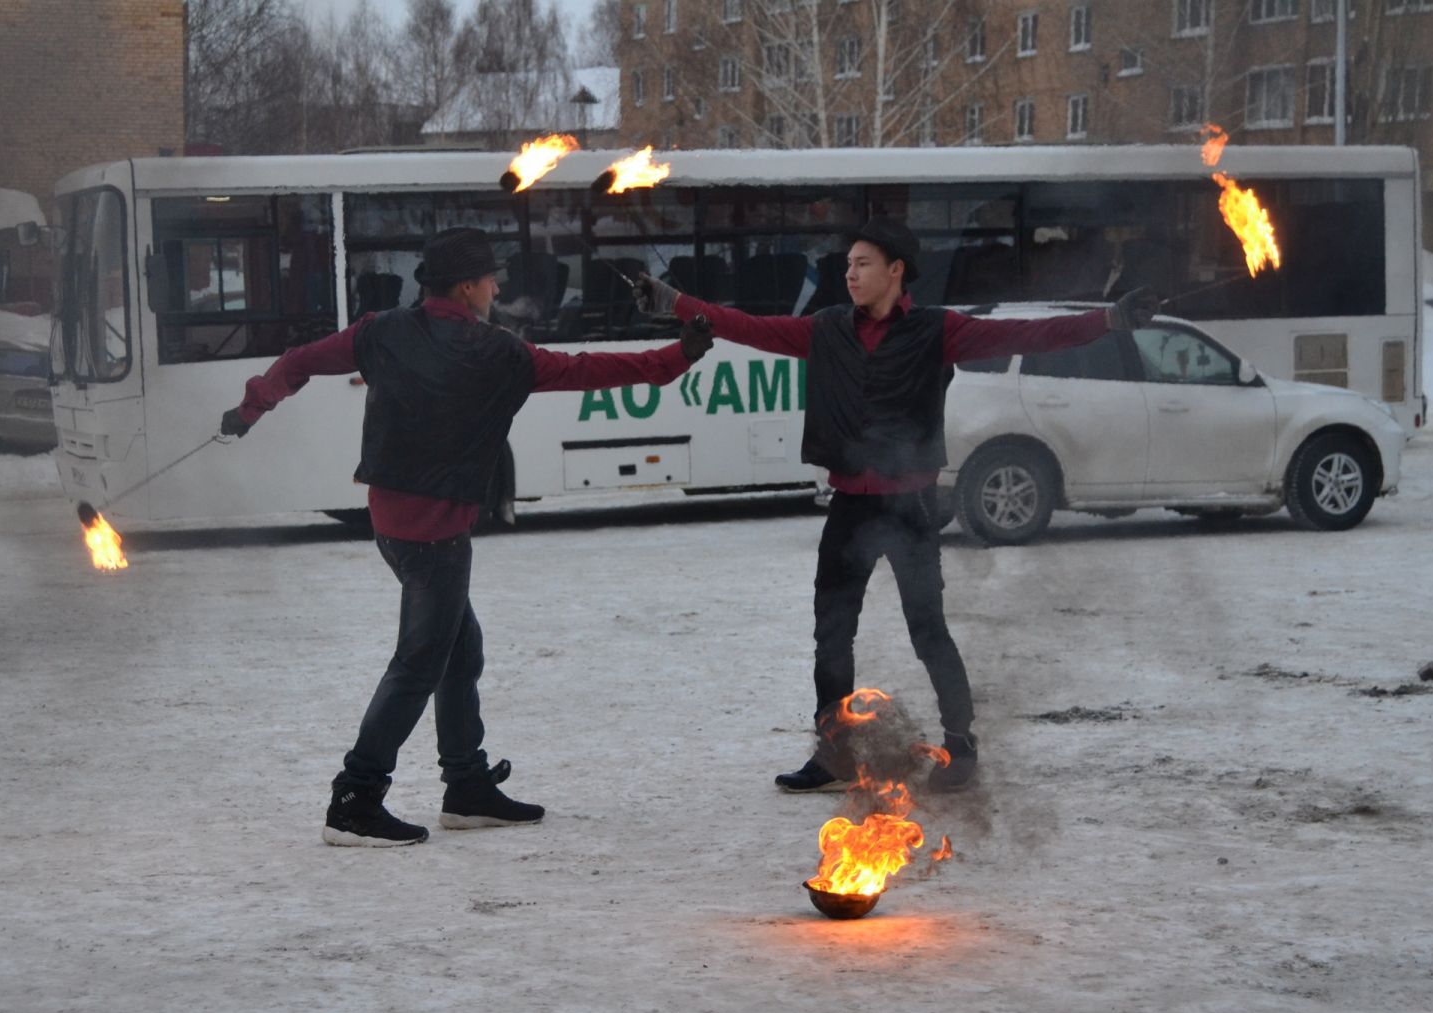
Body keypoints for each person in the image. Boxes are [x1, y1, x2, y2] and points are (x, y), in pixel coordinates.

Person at [219, 226, 716, 847]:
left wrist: (249, 409)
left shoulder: (380, 330)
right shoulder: (497, 353)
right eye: (490, 277)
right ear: (466, 286)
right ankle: (356, 797)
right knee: (420, 662)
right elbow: (590, 370)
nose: (498, 286)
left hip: (391, 521)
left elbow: (298, 363)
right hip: (438, 532)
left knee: (459, 646)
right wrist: (678, 356)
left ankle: (467, 787)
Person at [634, 217, 1156, 793]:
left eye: (862, 264)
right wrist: (674, 300)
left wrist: (1108, 319)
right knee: (831, 635)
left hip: (908, 508)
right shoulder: (825, 328)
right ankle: (834, 755)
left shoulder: (939, 330)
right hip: (849, 509)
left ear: (896, 271)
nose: (850, 274)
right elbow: (747, 326)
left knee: (927, 630)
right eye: (848, 265)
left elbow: (1029, 336)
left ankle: (960, 745)